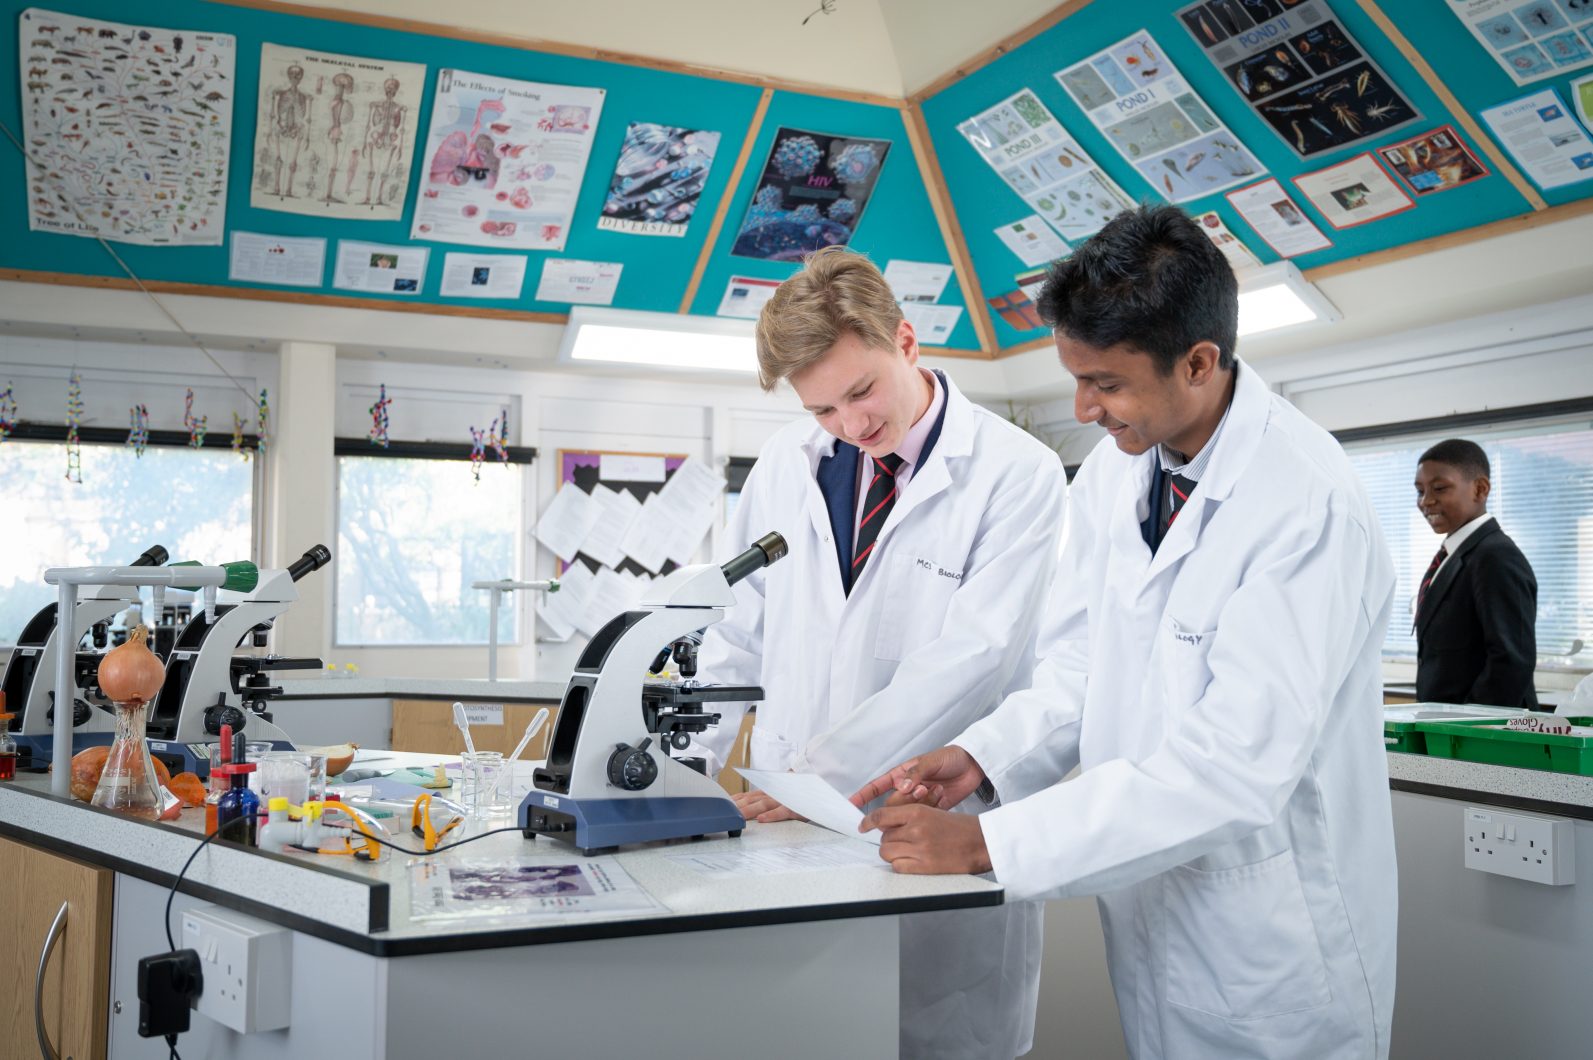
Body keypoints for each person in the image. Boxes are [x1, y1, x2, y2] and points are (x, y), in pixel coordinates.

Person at [856, 205, 1399, 1059]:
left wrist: (991, 844)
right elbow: (1080, 665)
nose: (1083, 408)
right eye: (1074, 378)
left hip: (1274, 936)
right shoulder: (1116, 479)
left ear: (1198, 361)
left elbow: (1236, 766)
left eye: (1104, 382)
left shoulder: (1305, 503)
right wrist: (985, 757)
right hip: (1154, 910)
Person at [690, 246, 1065, 1060]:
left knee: (938, 1035)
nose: (850, 425)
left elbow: (976, 656)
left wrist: (820, 780)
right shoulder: (786, 468)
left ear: (904, 341)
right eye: (823, 409)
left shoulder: (1015, 473)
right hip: (787, 824)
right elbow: (735, 636)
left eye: (860, 392)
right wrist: (676, 779)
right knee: (811, 1029)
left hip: (929, 821)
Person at [1412, 438, 1538, 708]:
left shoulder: (1496, 556)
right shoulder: (1455, 553)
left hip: (1480, 736)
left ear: (1480, 489)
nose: (1426, 501)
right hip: (1446, 729)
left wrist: (1467, 728)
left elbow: (1512, 661)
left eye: (1440, 488)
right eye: (1420, 491)